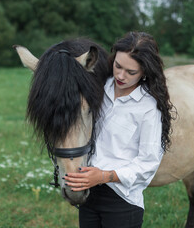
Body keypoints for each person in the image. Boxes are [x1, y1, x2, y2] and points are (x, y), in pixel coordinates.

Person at [64, 31, 174, 228]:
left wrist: (104, 176)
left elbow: (147, 164)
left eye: (131, 72)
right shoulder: (98, 88)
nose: (120, 76)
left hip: (122, 200)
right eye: (118, 66)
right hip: (88, 193)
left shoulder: (148, 108)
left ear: (145, 72)